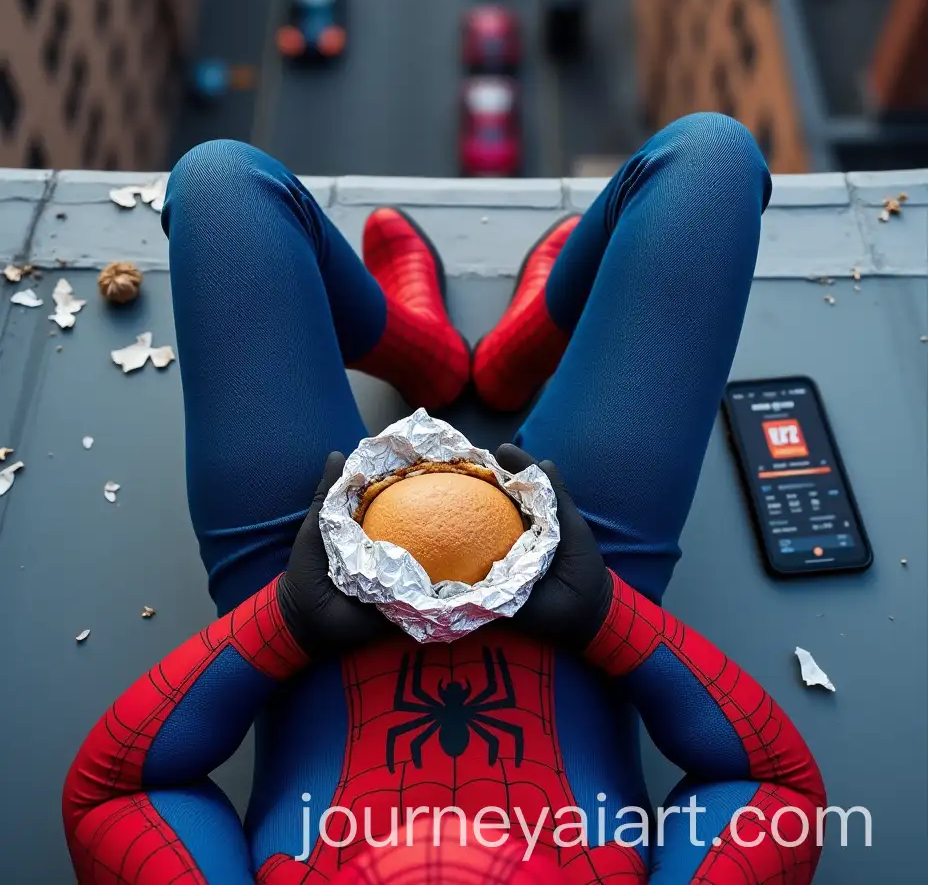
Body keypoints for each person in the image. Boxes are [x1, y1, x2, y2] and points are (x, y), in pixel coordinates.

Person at [63, 115, 826, 883]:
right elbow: (778, 795)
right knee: (710, 161)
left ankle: (418, 347)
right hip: (586, 586)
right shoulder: (596, 605)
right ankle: (509, 352)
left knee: (222, 185)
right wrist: (604, 614)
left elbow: (111, 796)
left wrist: (286, 619)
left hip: (294, 591)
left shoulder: (290, 611)